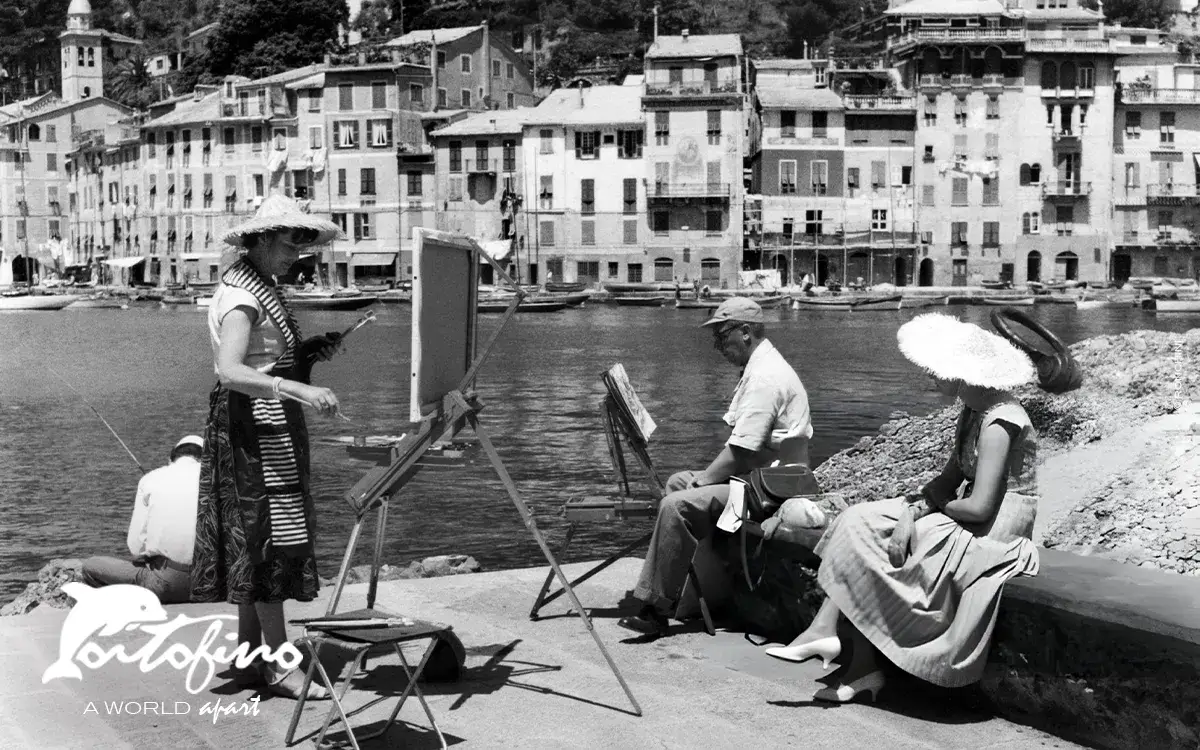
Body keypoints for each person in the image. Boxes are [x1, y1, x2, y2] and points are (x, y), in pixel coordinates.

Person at [765, 313, 1039, 702]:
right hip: (961, 513)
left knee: (881, 543)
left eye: (936, 370)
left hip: (994, 530)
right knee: (856, 520)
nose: (930, 376)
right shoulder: (975, 411)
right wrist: (912, 510)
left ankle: (854, 661)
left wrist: (919, 515)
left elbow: (979, 508)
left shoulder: (1000, 421)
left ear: (960, 373)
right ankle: (829, 635)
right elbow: (947, 480)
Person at [190, 194, 345, 700]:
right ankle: (278, 666)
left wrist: (307, 357)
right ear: (258, 241)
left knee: (255, 535)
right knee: (265, 537)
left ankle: (250, 652)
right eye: (287, 242)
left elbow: (265, 364)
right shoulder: (243, 298)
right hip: (253, 430)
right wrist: (298, 388)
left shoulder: (259, 287)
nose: (296, 253)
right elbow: (232, 371)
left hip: (264, 423)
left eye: (301, 243)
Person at [619, 298, 814, 637]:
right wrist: (700, 479)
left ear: (746, 332)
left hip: (769, 493)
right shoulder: (760, 367)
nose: (718, 346)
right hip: (757, 481)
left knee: (675, 505)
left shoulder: (765, 378)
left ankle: (655, 607)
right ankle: (694, 587)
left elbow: (741, 450)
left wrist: (705, 480)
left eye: (722, 337)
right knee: (680, 482)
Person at [81, 435, 204, 604]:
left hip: (166, 584)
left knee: (91, 566)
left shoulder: (150, 480)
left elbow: (135, 548)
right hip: (212, 582)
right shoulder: (216, 481)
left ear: (170, 459)